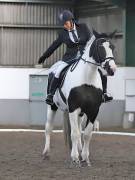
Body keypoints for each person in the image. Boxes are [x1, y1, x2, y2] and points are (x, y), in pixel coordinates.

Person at [38, 10, 113, 105]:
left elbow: (90, 41)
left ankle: (104, 93)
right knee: (57, 71)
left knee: (101, 70)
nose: (65, 26)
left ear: (71, 20)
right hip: (69, 58)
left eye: (66, 23)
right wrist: (44, 56)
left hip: (84, 57)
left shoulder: (83, 27)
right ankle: (50, 95)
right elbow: (54, 45)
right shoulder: (62, 33)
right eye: (63, 25)